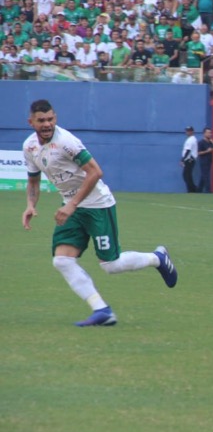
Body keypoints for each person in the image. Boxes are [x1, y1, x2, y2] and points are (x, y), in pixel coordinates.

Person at [21, 99, 178, 327]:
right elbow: (33, 181)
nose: (47, 124)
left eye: (50, 119)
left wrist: (72, 205)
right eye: (41, 120)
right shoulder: (29, 147)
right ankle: (101, 310)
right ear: (31, 122)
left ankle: (158, 258)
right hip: (72, 206)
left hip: (97, 205)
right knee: (63, 261)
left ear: (55, 118)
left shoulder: (66, 142)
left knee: (110, 265)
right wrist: (30, 204)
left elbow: (95, 172)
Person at [196, 127, 213, 194]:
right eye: (208, 133)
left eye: (210, 133)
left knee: (204, 176)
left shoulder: (210, 142)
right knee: (206, 176)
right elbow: (198, 152)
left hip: (209, 161)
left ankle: (199, 190)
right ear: (204, 133)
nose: (210, 134)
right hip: (203, 161)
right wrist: (206, 151)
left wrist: (212, 141)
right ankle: (208, 191)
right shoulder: (201, 142)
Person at [180, 125, 198, 193]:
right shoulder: (192, 139)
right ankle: (192, 189)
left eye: (189, 131)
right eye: (187, 131)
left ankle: (193, 189)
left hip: (189, 159)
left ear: (192, 131)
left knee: (186, 175)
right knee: (188, 175)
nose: (187, 132)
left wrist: (183, 160)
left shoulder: (191, 140)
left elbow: (188, 151)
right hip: (190, 159)